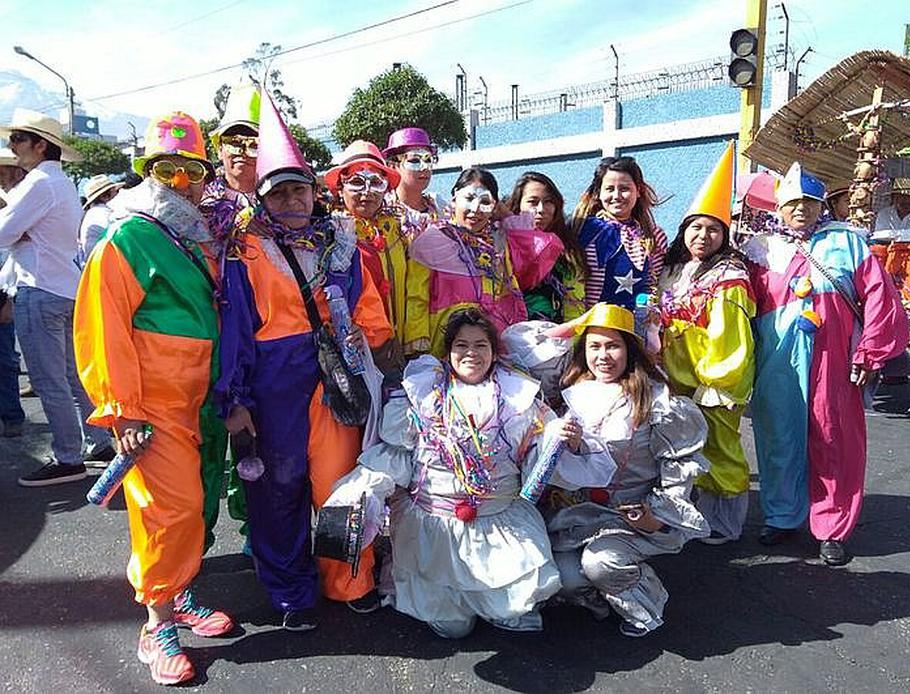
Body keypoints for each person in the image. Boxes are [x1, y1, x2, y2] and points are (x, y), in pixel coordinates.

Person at [216, 92, 393, 631]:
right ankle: (291, 590)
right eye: (280, 192)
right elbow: (236, 331)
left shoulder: (342, 242)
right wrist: (237, 398)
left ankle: (348, 582)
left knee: (342, 485)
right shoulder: (242, 249)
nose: (291, 200)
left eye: (300, 189)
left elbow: (369, 312)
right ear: (264, 199)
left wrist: (368, 356)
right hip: (274, 381)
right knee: (280, 491)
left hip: (335, 377)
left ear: (315, 193)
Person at [325, 308, 612, 638]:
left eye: (480, 346)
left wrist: (564, 440)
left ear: (493, 352)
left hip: (498, 522)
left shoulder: (519, 398)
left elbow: (542, 453)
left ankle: (493, 601)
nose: (471, 354)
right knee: (452, 627)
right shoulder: (421, 397)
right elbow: (395, 457)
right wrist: (362, 491)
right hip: (436, 529)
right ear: (448, 352)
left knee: (509, 610)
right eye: (462, 345)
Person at [74, 112, 235, 686]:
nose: (177, 182)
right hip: (153, 406)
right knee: (170, 511)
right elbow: (103, 324)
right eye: (164, 169)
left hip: (201, 399)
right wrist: (122, 411)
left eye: (189, 171)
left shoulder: (198, 237)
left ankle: (180, 592)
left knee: (197, 505)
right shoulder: (129, 234)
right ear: (147, 172)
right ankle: (157, 622)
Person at [741, 162, 909, 566]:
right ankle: (782, 517)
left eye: (810, 202)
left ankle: (831, 527)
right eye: (793, 203)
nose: (801, 209)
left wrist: (870, 352)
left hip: (834, 359)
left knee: (834, 440)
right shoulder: (758, 249)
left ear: (822, 206)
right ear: (778, 207)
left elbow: (881, 301)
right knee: (779, 437)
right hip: (777, 360)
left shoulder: (849, 244)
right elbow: (738, 305)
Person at [541, 302, 710, 637]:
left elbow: (678, 464)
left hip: (633, 515)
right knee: (562, 576)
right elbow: (527, 349)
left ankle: (645, 602)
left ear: (630, 349)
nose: (603, 355)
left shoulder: (656, 400)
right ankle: (599, 598)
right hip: (582, 513)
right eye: (594, 346)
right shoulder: (572, 390)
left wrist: (658, 515)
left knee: (600, 563)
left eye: (613, 345)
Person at [0, 109, 114, 486]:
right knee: (72, 376)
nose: (12, 147)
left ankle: (68, 456)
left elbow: (3, 232)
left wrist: (19, 235)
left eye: (17, 140)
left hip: (40, 288)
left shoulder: (38, 183)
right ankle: (97, 443)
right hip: (66, 287)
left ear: (39, 145)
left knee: (51, 380)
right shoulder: (61, 182)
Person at [659, 142, 755, 544]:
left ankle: (725, 523)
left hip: (709, 383)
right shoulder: (674, 269)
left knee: (720, 450)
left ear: (724, 235)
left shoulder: (730, 275)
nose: (703, 235)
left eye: (713, 228)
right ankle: (695, 512)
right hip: (675, 377)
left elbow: (731, 336)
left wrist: (715, 382)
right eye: (696, 227)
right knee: (684, 449)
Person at [198, 83, 261, 555]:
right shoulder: (196, 207)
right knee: (200, 459)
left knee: (255, 451)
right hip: (208, 351)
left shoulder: (283, 203)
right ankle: (188, 554)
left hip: (264, 351)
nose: (241, 151)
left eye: (252, 141)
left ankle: (254, 535)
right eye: (232, 141)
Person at [410, 167, 562, 355]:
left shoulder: (499, 242)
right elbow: (416, 298)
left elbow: (539, 249)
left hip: (493, 341)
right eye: (469, 198)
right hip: (447, 342)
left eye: (485, 202)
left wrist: (505, 214)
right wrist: (417, 346)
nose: (475, 209)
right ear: (454, 199)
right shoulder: (433, 240)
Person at [325, 140, 430, 363]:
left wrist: (415, 342)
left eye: (375, 182)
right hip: (359, 349)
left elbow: (415, 289)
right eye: (356, 183)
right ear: (340, 188)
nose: (367, 192)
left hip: (400, 349)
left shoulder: (399, 230)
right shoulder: (329, 235)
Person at [571, 156, 668, 310]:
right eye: (609, 189)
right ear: (598, 193)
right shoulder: (582, 229)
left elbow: (653, 285)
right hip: (591, 322)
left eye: (625, 189)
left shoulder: (654, 236)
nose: (616, 196)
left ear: (639, 191)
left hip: (635, 324)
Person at [507, 171, 587, 322]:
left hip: (559, 336)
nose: (541, 209)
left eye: (548, 201)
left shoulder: (569, 249)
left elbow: (575, 302)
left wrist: (574, 339)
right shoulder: (503, 245)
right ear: (518, 205)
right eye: (533, 202)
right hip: (515, 335)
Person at [0, 148, 26, 438]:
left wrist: (4, 298)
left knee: (5, 361)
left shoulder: (18, 205)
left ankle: (11, 417)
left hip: (5, 292)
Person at [382, 127, 448, 225]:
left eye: (428, 160)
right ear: (392, 166)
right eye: (414, 161)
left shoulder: (439, 206)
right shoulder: (382, 208)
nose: (425, 167)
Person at [78, 174, 123, 263]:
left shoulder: (94, 214)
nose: (119, 194)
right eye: (116, 192)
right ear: (104, 197)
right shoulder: (104, 215)